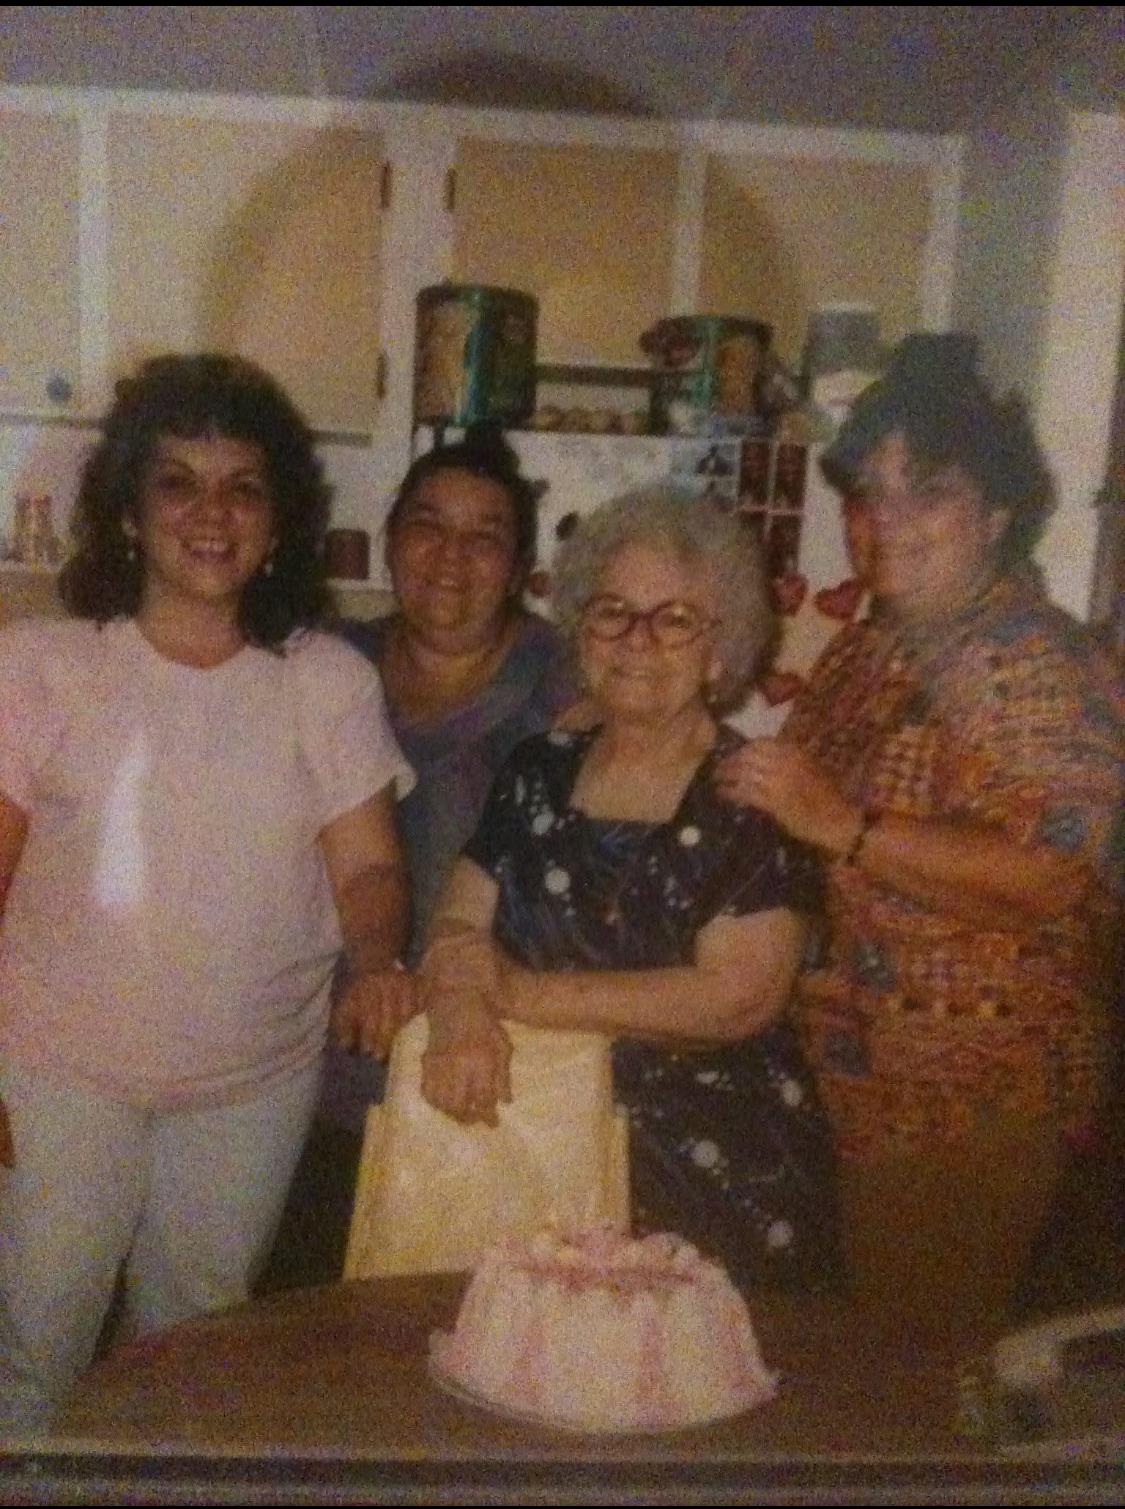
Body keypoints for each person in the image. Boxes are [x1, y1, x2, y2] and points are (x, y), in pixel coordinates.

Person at [0, 353, 412, 1434]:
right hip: (58, 1072)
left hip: (250, 1083)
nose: (211, 512)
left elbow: (367, 866)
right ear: (130, 513)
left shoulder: (326, 681)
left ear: (278, 523)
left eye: (244, 486)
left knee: (194, 1355)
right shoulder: (42, 664)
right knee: (38, 1334)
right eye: (177, 481)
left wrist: (376, 962)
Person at [714, 333, 1124, 1326]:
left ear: (996, 511)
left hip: (970, 1107)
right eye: (866, 492)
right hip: (854, 1088)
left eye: (924, 489)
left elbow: (1053, 874)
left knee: (915, 1389)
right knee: (863, 1378)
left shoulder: (1035, 662)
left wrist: (842, 825)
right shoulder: (874, 644)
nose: (883, 519)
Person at [402, 486, 843, 1293]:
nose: (637, 639)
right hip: (532, 1148)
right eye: (612, 612)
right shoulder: (539, 767)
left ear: (719, 652)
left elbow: (736, 999)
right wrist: (462, 1002)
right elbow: (458, 915)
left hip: (710, 1176)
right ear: (581, 631)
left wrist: (519, 995)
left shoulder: (753, 796)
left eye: (675, 619)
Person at [264, 427, 572, 1289]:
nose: (451, 555)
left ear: (518, 568)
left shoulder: (570, 686)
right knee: (305, 1328)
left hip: (482, 1065)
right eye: (429, 525)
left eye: (485, 536)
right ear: (392, 539)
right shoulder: (323, 664)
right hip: (311, 1067)